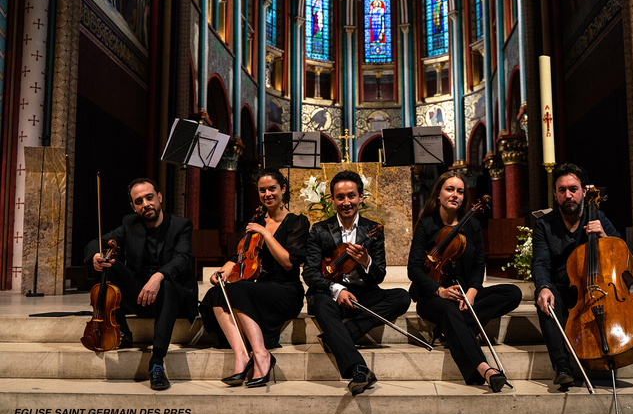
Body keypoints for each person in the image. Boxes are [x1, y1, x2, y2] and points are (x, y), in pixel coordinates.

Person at [407, 171, 522, 392]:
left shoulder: (473, 226)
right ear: (438, 194)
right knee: (449, 311)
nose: (455, 195)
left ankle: (450, 330)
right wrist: (439, 290)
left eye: (460, 191)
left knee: (512, 293)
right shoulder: (426, 224)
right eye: (449, 189)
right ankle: (485, 369)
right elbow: (413, 269)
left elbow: (479, 265)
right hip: (432, 296)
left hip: (464, 295)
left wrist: (472, 292)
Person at [302, 170, 411, 396]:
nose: (346, 202)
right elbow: (310, 273)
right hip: (331, 292)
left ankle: (343, 333)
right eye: (340, 197)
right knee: (322, 303)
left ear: (361, 197)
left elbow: (379, 275)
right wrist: (337, 289)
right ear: (332, 200)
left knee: (402, 296)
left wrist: (366, 261)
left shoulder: (373, 230)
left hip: (362, 292)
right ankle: (358, 369)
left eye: (351, 196)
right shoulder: (320, 230)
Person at [200, 169, 309, 387]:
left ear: (283, 189)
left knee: (238, 290)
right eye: (262, 190)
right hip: (258, 288)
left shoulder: (297, 222)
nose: (267, 194)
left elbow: (289, 262)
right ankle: (241, 355)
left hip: (285, 290)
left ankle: (262, 354)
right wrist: (222, 271)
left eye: (272, 189)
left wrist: (267, 233)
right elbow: (238, 256)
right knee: (216, 293)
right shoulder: (255, 220)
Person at [85, 177, 195, 391]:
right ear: (133, 206)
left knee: (167, 283)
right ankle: (122, 332)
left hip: (173, 298)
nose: (146, 204)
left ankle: (156, 361)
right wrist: (95, 256)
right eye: (139, 201)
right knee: (110, 263)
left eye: (149, 197)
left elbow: (181, 259)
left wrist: (159, 276)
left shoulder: (181, 225)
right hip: (141, 296)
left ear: (159, 197)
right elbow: (97, 242)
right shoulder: (129, 223)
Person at [532, 162, 621, 387]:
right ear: (555, 194)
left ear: (583, 191)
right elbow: (540, 262)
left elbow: (622, 253)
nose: (568, 195)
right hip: (561, 289)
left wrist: (603, 235)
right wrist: (543, 287)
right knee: (545, 302)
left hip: (596, 289)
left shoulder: (597, 217)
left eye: (573, 189)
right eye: (562, 190)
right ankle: (562, 366)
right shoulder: (544, 225)